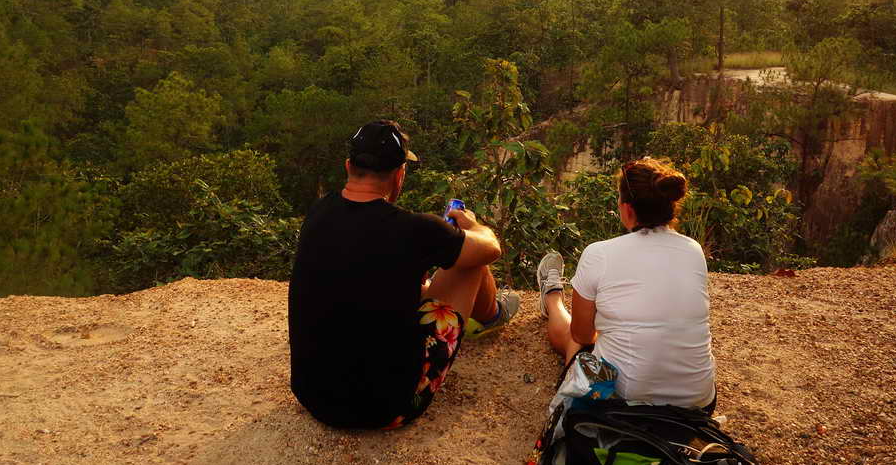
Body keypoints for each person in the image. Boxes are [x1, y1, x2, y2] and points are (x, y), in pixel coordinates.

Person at [288, 119, 521, 429]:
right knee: (471, 260)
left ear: (348, 166)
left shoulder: (318, 211)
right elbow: (491, 248)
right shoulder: (414, 229)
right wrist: (472, 224)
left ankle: (491, 314)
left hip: (313, 396)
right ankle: (493, 315)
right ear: (399, 174)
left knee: (435, 272)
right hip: (386, 408)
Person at [535, 157, 717, 413]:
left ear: (627, 208)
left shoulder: (599, 254)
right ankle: (553, 298)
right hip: (698, 402)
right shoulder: (693, 250)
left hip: (622, 400)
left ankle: (552, 297)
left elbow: (582, 335)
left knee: (578, 344)